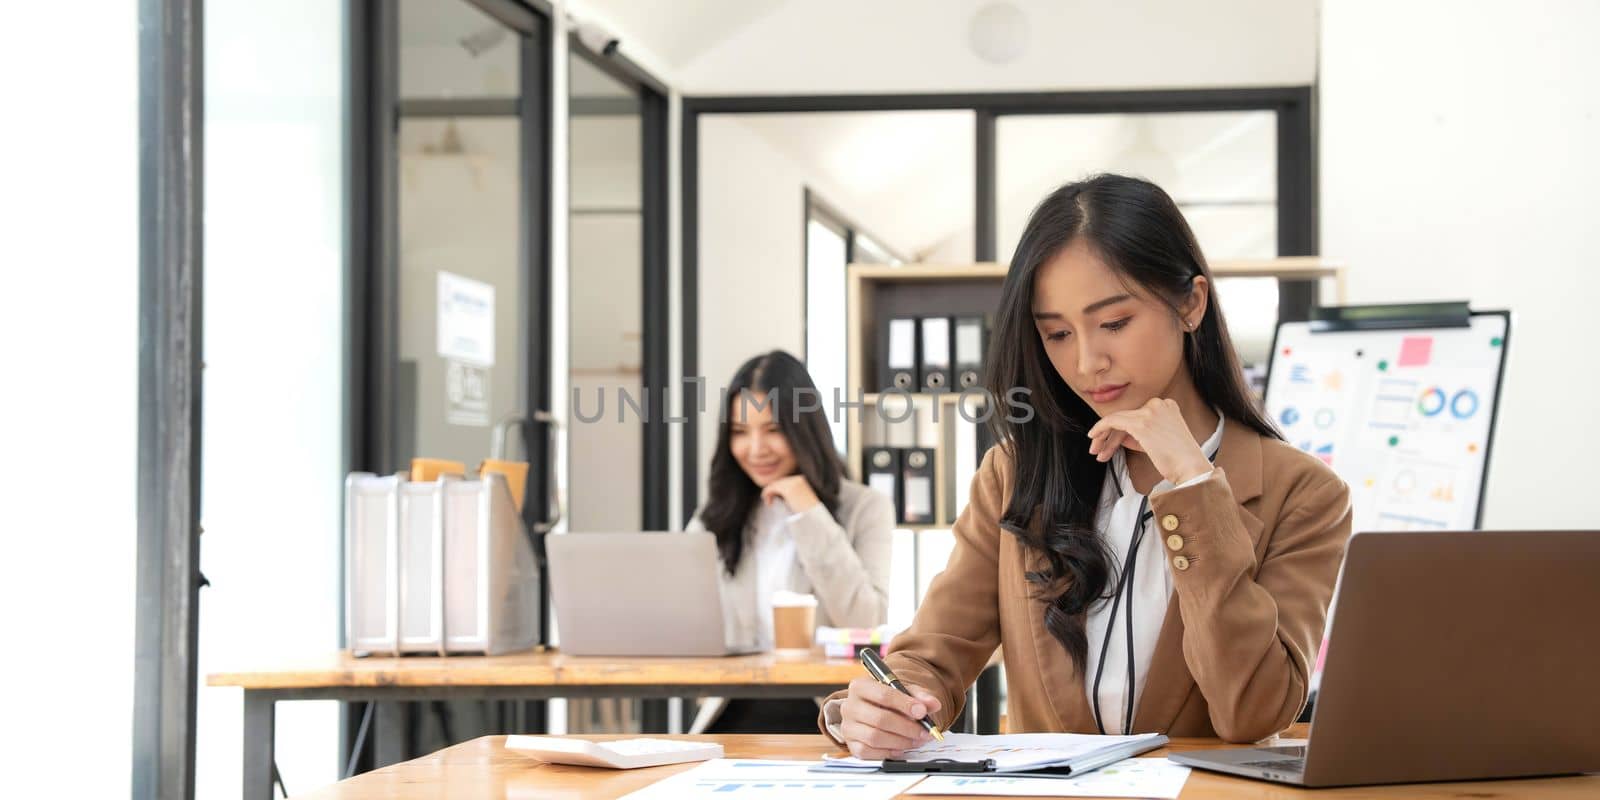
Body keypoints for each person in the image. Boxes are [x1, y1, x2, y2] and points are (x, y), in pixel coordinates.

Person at [823, 174, 1352, 755]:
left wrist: (1195, 484)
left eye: (1114, 323)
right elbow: (933, 656)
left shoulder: (1302, 492)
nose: (1086, 361)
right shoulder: (1013, 473)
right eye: (1056, 333)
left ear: (1191, 303)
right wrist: (882, 709)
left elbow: (1253, 711)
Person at [687, 350, 895, 733]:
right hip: (734, 709)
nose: (755, 449)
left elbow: (867, 622)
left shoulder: (865, 508)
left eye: (773, 430)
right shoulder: (715, 518)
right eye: (739, 432)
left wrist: (807, 510)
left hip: (826, 712)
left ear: (804, 429)